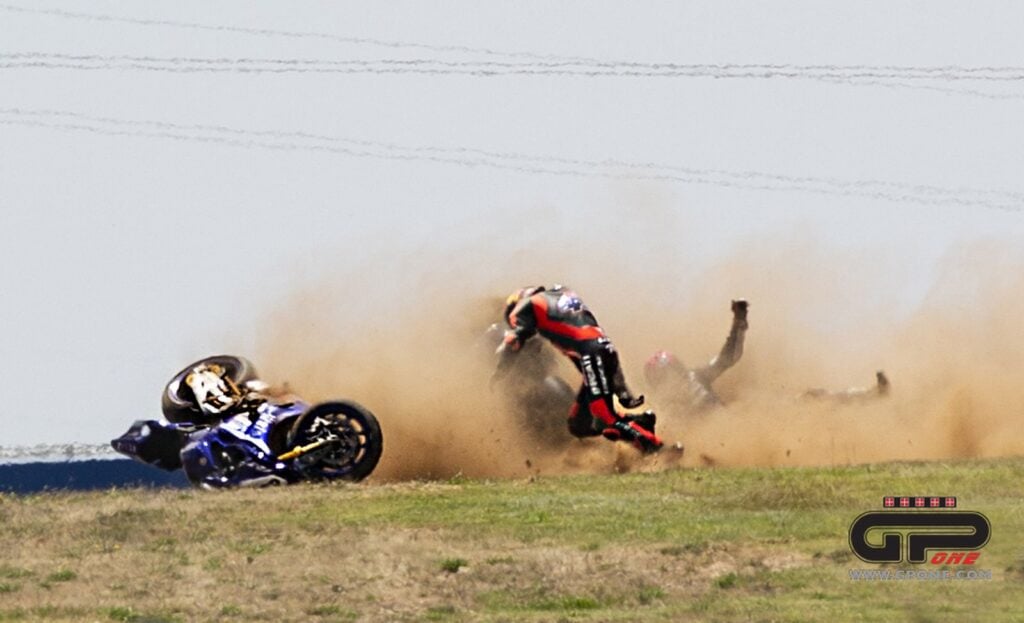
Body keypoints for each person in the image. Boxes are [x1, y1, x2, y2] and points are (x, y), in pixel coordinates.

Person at [493, 285, 663, 453]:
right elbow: (601, 351)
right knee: (579, 425)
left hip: (592, 353)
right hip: (603, 350)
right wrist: (621, 390)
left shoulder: (526, 305)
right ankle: (640, 422)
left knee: (605, 416)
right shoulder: (564, 299)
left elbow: (512, 341)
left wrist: (500, 372)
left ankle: (656, 448)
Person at [643, 299, 749, 413]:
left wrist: (739, 323)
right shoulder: (660, 411)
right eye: (663, 378)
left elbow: (728, 358)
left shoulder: (696, 378)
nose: (673, 380)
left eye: (674, 371)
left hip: (729, 425)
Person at [800, 370, 890, 402]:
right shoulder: (869, 395)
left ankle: (808, 394)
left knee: (829, 396)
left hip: (848, 395)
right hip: (848, 395)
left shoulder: (869, 396)